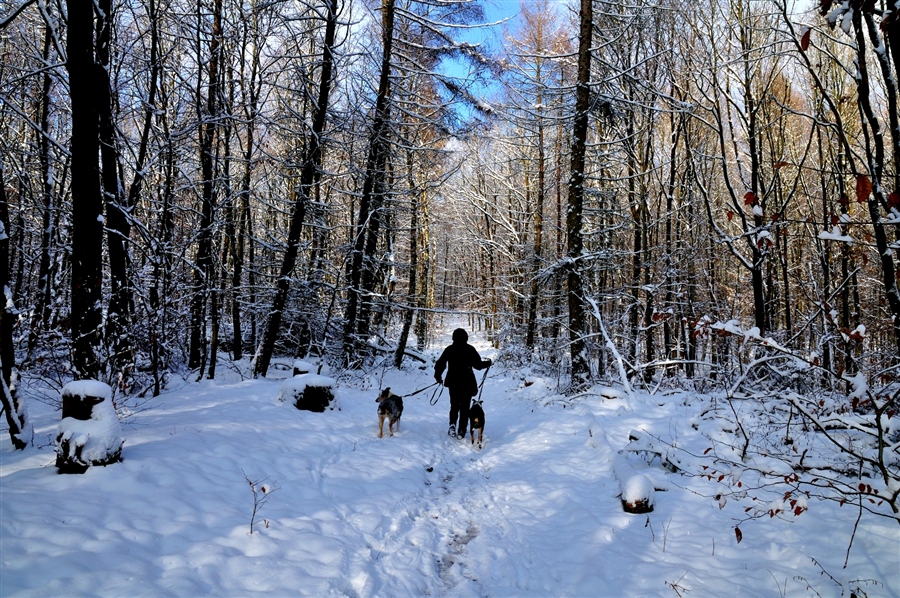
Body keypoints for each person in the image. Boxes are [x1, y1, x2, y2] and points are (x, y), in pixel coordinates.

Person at [434, 328, 491, 438]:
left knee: (454, 405)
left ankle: (452, 425)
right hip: (467, 382)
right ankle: (462, 430)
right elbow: (478, 365)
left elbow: (440, 363)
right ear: (466, 338)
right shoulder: (470, 349)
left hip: (453, 382)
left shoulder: (449, 349)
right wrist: (488, 363)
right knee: (465, 407)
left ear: (453, 337)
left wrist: (438, 376)